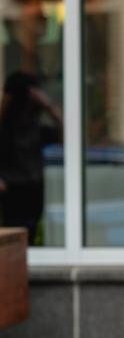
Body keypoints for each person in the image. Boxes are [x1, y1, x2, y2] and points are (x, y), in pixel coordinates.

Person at [0, 71, 63, 244]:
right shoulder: (6, 125)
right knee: (11, 238)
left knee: (30, 233)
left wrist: (48, 105)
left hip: (33, 187)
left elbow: (67, 136)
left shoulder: (34, 128)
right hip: (11, 187)